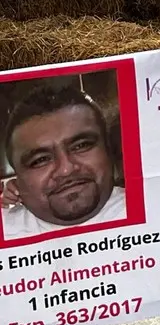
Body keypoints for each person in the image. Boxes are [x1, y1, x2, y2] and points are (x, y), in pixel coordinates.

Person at [2, 86, 125, 240]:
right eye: (40, 160)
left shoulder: (157, 209)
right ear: (17, 180)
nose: (66, 169)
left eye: (81, 146)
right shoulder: (6, 232)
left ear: (108, 150)